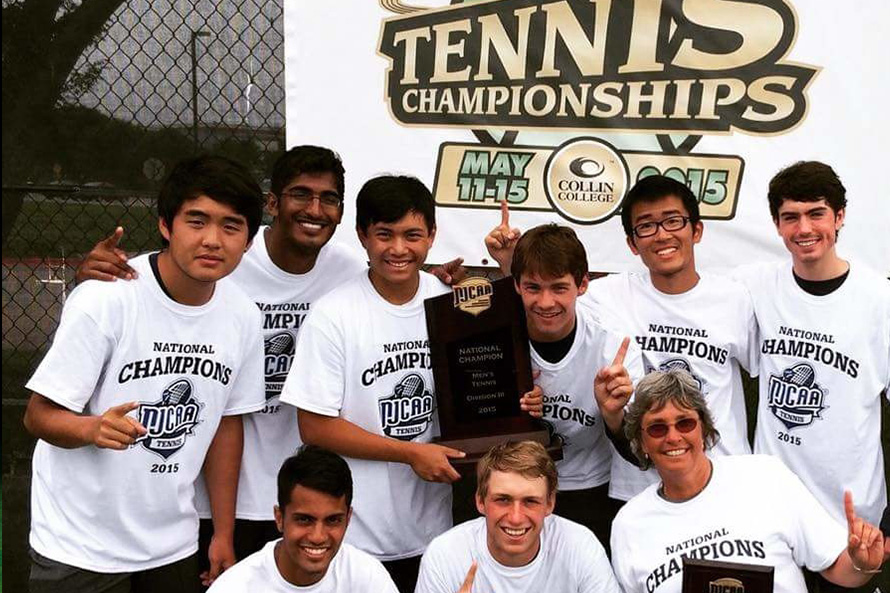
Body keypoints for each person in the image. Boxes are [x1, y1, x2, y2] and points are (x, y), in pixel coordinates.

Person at [279, 175, 541, 593]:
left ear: (432, 236)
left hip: (433, 531)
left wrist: (519, 397)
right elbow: (315, 426)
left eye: (412, 235)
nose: (398, 249)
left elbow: (498, 356)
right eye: (385, 234)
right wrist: (410, 453)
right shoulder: (333, 315)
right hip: (357, 536)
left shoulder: (449, 302)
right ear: (363, 235)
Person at [23, 155, 266, 592]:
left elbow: (226, 424)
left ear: (248, 240)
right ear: (166, 225)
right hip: (80, 545)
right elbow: (38, 416)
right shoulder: (106, 299)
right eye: (197, 221)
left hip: (172, 546)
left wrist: (224, 532)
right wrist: (92, 427)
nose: (213, 240)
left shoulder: (243, 316)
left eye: (231, 226)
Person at [487, 175, 758, 503]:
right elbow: (547, 294)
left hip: (722, 480)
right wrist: (507, 265)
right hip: (638, 486)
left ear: (696, 230)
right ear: (632, 243)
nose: (662, 235)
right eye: (646, 226)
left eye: (673, 221)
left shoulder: (737, 298)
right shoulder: (609, 295)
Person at [734, 161, 890, 593]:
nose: (804, 228)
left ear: (839, 217)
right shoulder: (754, 285)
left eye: (816, 213)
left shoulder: (879, 300)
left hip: (852, 517)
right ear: (777, 225)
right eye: (790, 217)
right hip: (772, 510)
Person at [610, 370, 886, 593]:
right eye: (658, 428)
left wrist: (862, 565)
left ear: (704, 429)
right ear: (641, 441)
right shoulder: (629, 524)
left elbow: (837, 568)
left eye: (685, 423)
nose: (673, 437)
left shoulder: (765, 477)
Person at [502, 220, 643, 552]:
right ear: (517, 286)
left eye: (559, 287)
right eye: (533, 287)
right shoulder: (494, 340)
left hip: (589, 490)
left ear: (582, 285)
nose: (546, 301)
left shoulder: (613, 345)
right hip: (515, 492)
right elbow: (475, 436)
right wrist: (518, 415)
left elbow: (639, 453)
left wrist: (614, 414)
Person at [415, 440, 620, 593]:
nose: (515, 517)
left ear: (550, 504)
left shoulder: (579, 545)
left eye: (530, 501)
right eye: (502, 500)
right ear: (480, 501)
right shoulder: (445, 554)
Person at [207, 445, 398, 592]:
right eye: (305, 520)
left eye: (332, 520)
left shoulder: (368, 577)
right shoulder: (234, 587)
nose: (318, 537)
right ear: (279, 518)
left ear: (348, 519)